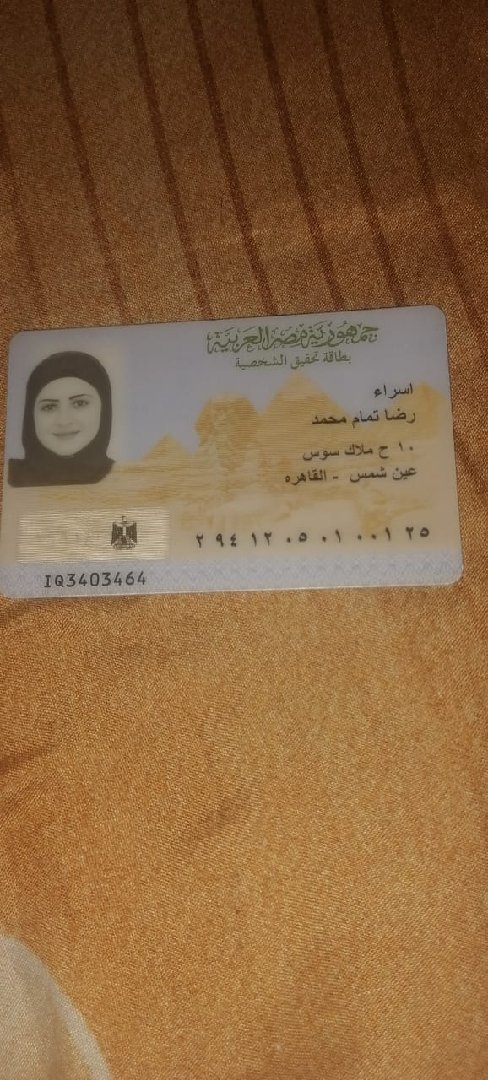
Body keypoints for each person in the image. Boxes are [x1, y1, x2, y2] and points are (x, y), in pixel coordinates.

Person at [8, 351, 114, 487]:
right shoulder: (7, 479)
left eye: (80, 403)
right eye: (49, 407)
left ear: (104, 410)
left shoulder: (126, 478)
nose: (64, 421)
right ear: (31, 415)